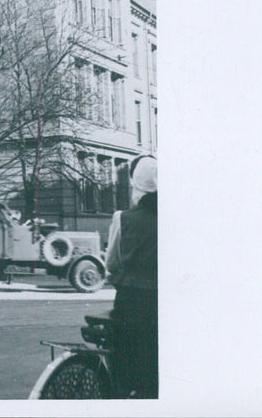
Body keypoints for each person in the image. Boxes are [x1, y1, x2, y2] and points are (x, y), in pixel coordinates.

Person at [106, 155, 158, 399]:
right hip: (160, 304)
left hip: (129, 302)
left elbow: (111, 264)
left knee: (126, 362)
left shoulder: (122, 218)